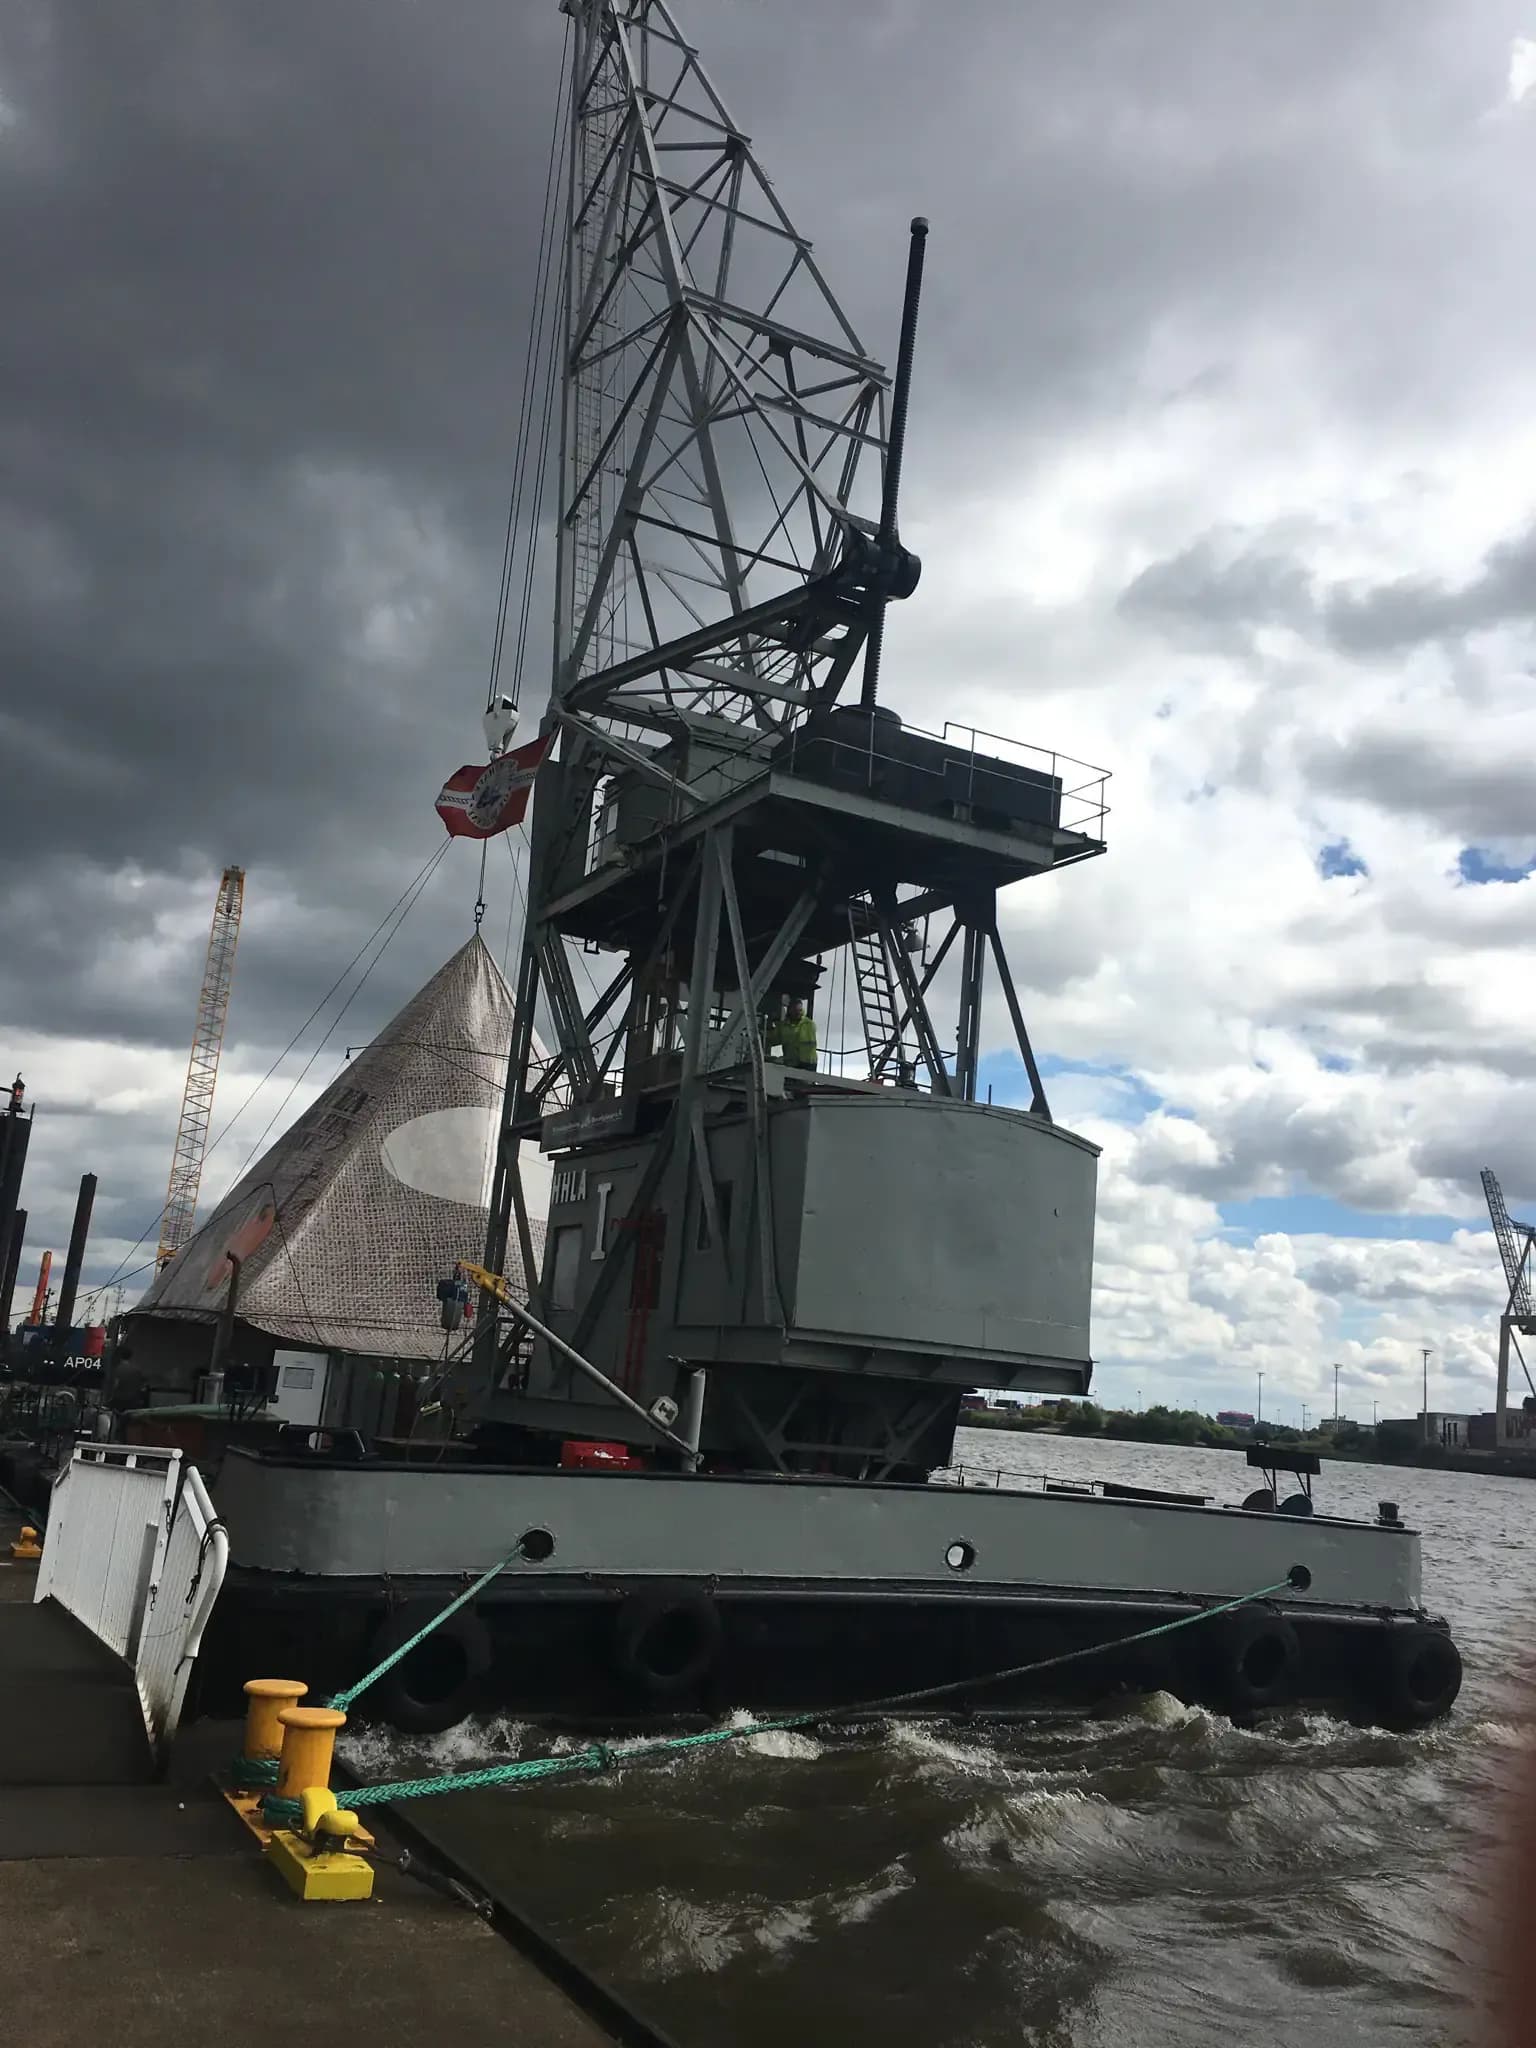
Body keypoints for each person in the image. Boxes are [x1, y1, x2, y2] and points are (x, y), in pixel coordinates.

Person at [768, 998, 817, 1070]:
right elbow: (774, 1039)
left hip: (807, 1064)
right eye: (795, 1011)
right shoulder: (783, 1026)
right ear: (790, 1010)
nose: (798, 1013)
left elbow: (801, 1044)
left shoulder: (808, 1024)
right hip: (791, 1064)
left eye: (800, 1010)